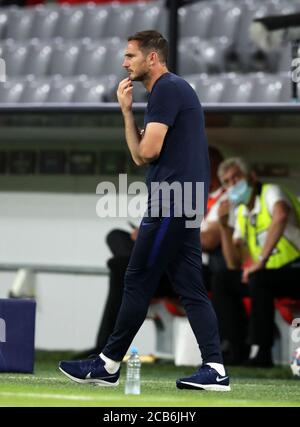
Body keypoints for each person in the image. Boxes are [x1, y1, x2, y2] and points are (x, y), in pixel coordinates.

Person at [59, 30, 230, 391]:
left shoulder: (167, 89)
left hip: (172, 199)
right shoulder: (165, 92)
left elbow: (147, 152)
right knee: (190, 287)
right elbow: (140, 154)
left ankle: (106, 363)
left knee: (137, 278)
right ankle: (215, 368)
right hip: (184, 200)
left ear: (152, 58)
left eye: (130, 56)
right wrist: (126, 112)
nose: (124, 63)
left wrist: (132, 118)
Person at [212, 157, 300, 367]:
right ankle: (235, 348)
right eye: (227, 182)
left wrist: (260, 261)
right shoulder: (242, 211)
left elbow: (281, 215)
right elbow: (234, 263)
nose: (233, 185)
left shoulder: (271, 192)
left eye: (236, 178)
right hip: (269, 276)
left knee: (258, 277)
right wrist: (224, 227)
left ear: (251, 177)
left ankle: (262, 352)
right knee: (223, 279)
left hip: (296, 268)